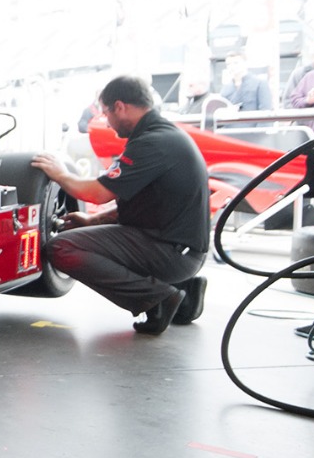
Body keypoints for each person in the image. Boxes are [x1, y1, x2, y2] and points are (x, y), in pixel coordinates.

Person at [30, 75, 209, 336]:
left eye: (106, 113)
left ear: (120, 107)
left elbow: (97, 193)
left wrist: (60, 174)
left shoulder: (152, 143)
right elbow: (147, 203)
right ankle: (184, 291)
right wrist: (93, 221)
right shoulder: (164, 134)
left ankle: (156, 299)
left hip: (172, 253)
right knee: (78, 241)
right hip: (182, 252)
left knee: (62, 248)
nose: (107, 121)